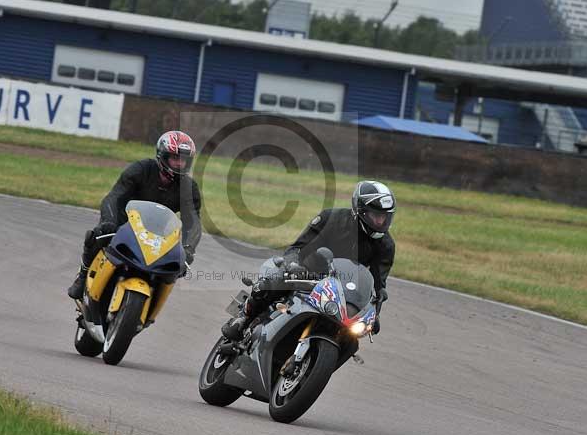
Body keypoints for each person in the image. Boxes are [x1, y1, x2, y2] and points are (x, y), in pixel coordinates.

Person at [222, 180, 396, 340]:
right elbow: (297, 247)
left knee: (351, 337)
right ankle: (244, 318)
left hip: (342, 290)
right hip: (308, 272)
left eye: (386, 217)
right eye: (377, 216)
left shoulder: (386, 245)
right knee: (273, 283)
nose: (382, 222)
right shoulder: (331, 218)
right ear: (360, 211)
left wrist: (375, 313)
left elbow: (377, 286)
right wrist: (292, 265)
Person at [66, 130, 202, 299]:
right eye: (175, 158)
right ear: (162, 156)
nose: (180, 164)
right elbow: (114, 197)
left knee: (174, 267)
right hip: (124, 225)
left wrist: (188, 249)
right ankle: (83, 274)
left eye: (184, 160)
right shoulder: (141, 169)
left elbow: (193, 222)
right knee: (98, 235)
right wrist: (109, 221)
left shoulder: (189, 188)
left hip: (158, 236)